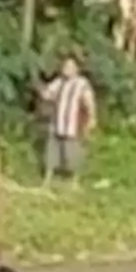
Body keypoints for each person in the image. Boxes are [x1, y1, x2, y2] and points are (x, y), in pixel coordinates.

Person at [40, 55, 97, 187]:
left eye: (70, 67)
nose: (66, 69)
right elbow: (47, 94)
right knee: (52, 151)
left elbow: (89, 102)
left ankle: (74, 181)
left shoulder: (82, 84)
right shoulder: (58, 82)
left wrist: (92, 118)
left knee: (73, 152)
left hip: (73, 125)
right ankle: (48, 179)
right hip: (57, 123)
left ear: (76, 69)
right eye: (65, 66)